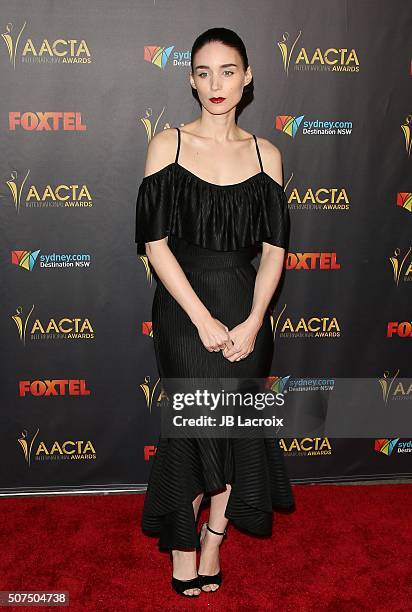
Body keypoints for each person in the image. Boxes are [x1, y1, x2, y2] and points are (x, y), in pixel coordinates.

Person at [135, 27, 295, 597]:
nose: (215, 84)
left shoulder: (266, 154)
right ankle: (183, 546)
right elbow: (155, 247)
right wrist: (203, 320)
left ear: (247, 76)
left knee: (234, 430)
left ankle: (213, 539)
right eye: (203, 72)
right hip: (184, 307)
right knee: (191, 429)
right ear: (190, 79)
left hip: (244, 303)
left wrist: (253, 323)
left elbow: (274, 253)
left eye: (228, 71)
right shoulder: (167, 145)